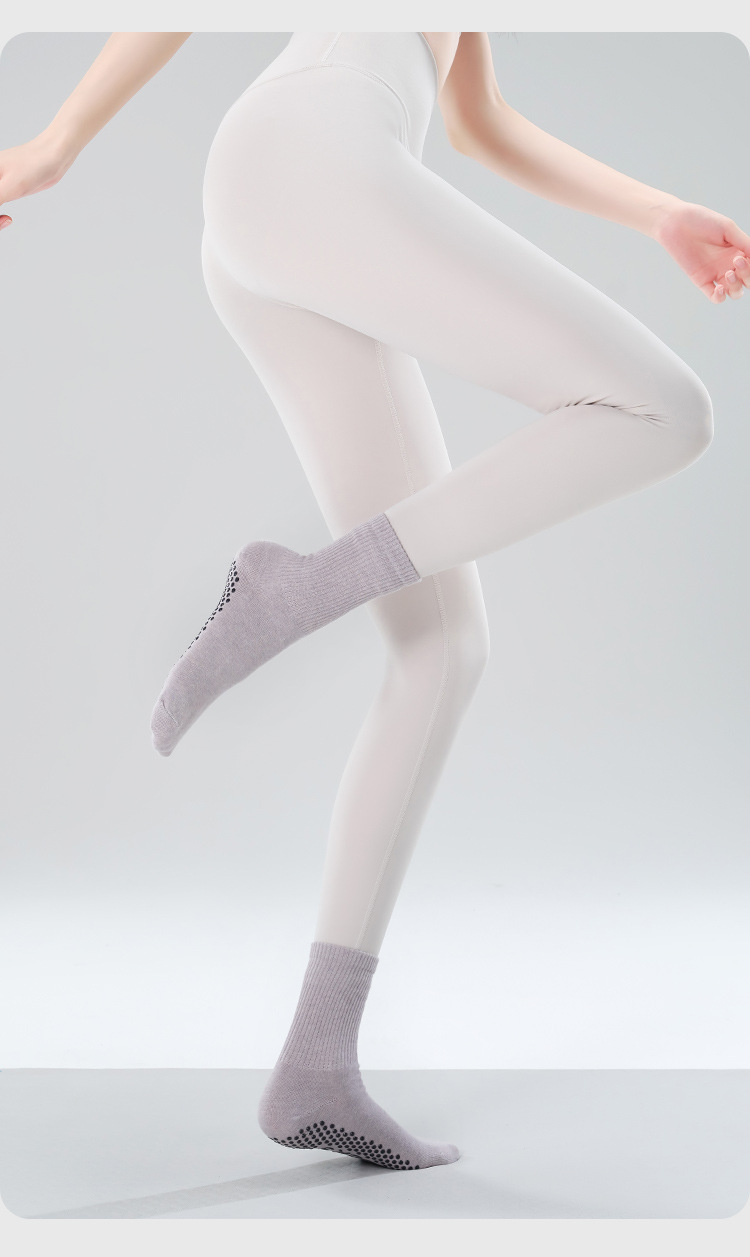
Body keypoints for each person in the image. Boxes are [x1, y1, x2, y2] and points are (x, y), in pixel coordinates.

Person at [2, 31, 747, 1174]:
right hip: (313, 161)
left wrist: (658, 213)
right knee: (665, 410)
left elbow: (480, 124)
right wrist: (57, 142)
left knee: (443, 649)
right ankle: (300, 590)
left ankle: (318, 1064)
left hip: (283, 201)